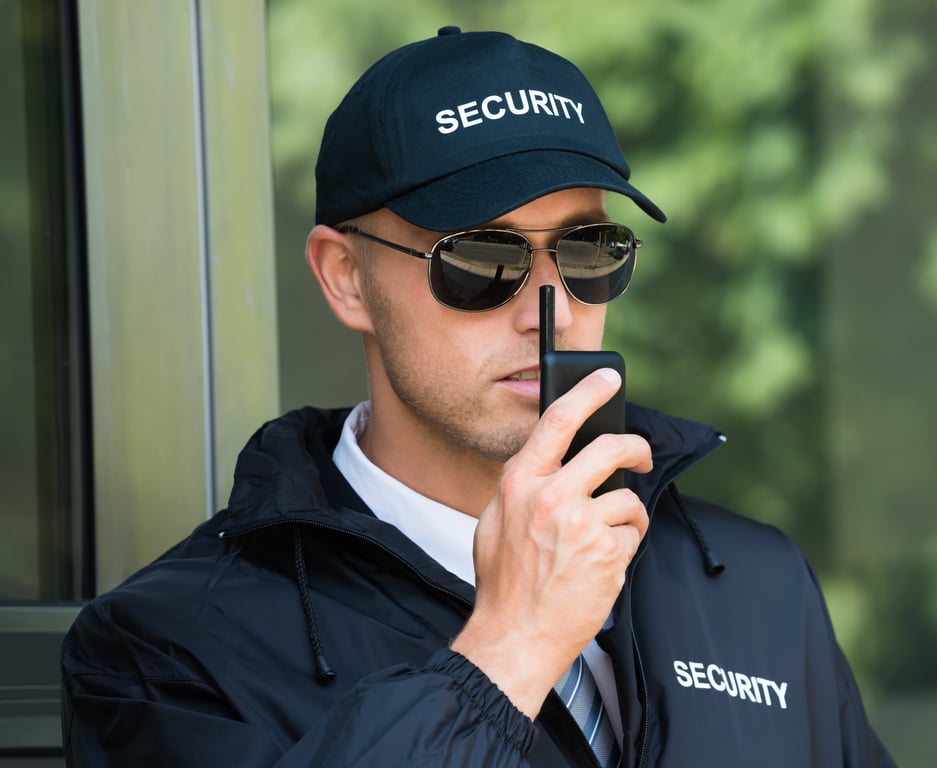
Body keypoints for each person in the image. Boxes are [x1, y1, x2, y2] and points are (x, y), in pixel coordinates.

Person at [61, 26, 895, 767]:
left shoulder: (753, 580)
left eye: (589, 250)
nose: (554, 309)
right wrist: (512, 645)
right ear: (346, 278)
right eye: (483, 260)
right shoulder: (167, 651)